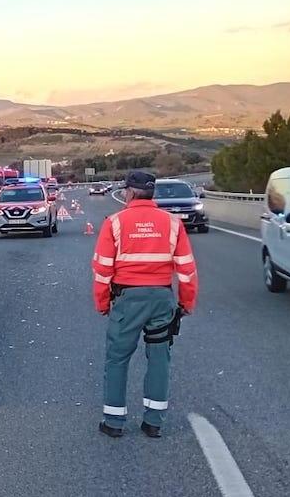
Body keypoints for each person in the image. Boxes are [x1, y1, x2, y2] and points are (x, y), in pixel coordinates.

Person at [91, 170, 199, 439]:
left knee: (117, 359)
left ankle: (114, 422)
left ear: (128, 192)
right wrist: (185, 303)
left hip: (128, 300)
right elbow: (187, 270)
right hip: (162, 299)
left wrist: (103, 303)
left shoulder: (114, 223)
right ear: (153, 193)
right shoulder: (173, 223)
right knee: (159, 358)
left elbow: (102, 269)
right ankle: (153, 422)